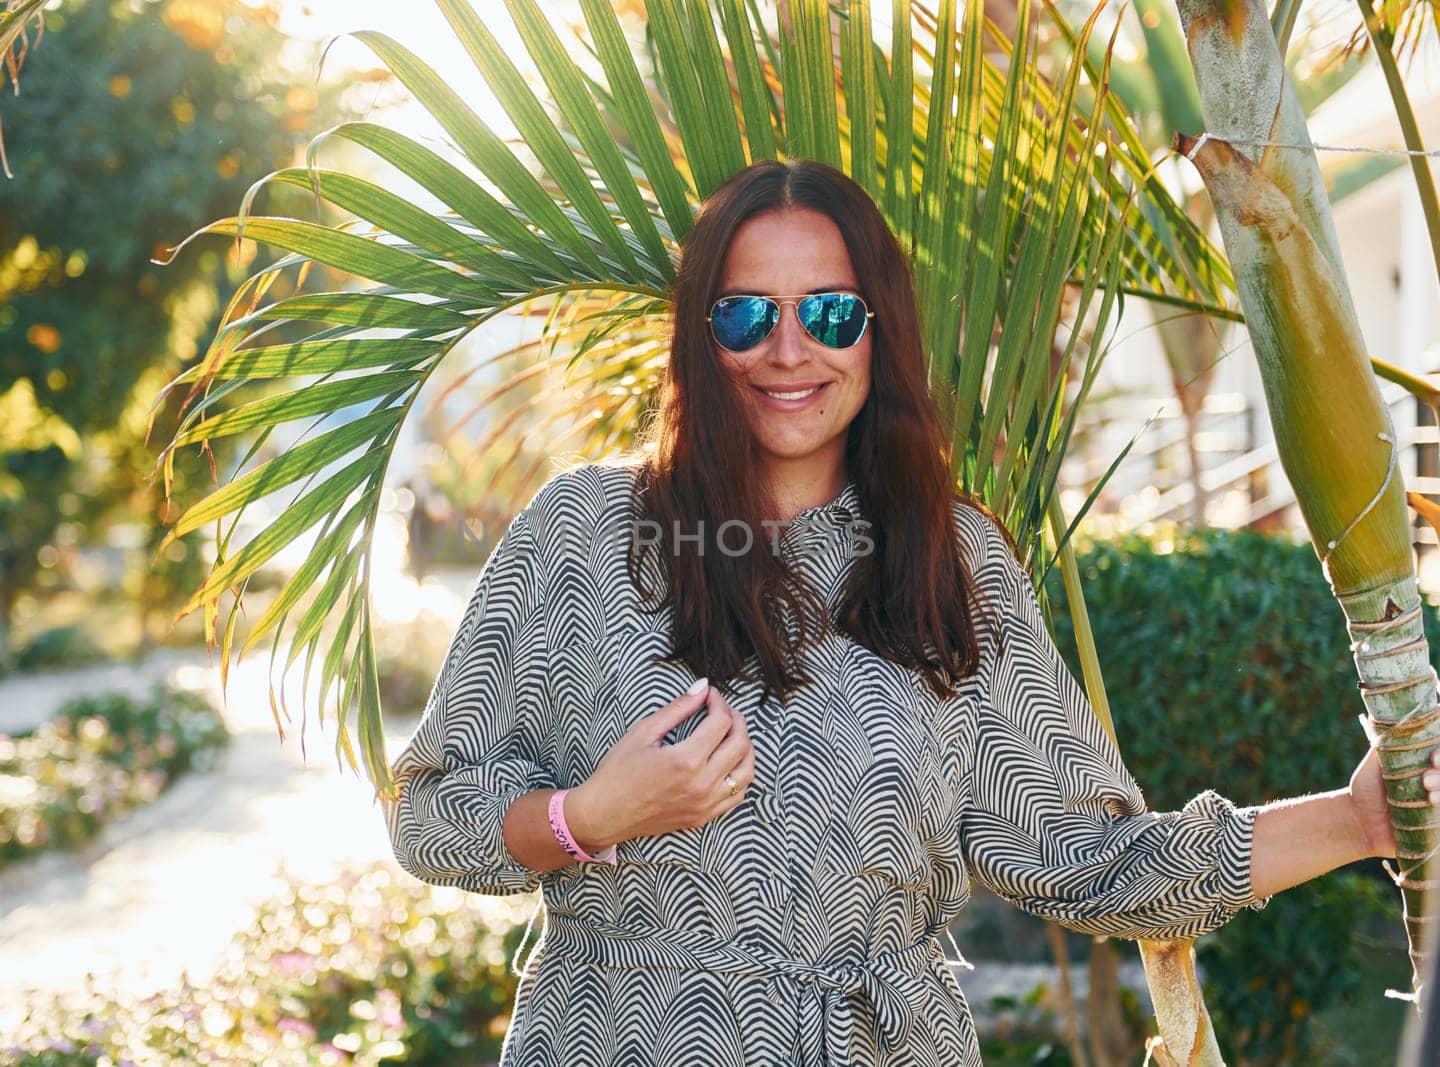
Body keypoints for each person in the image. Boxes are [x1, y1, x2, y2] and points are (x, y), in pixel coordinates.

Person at [380, 158, 1440, 1066]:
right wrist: (587, 816)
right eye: (747, 312)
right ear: (700, 336)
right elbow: (430, 815)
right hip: (618, 1031)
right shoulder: (586, 530)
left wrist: (1355, 823)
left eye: (829, 311)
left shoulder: (954, 558)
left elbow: (1092, 856)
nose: (788, 350)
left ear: (877, 330)